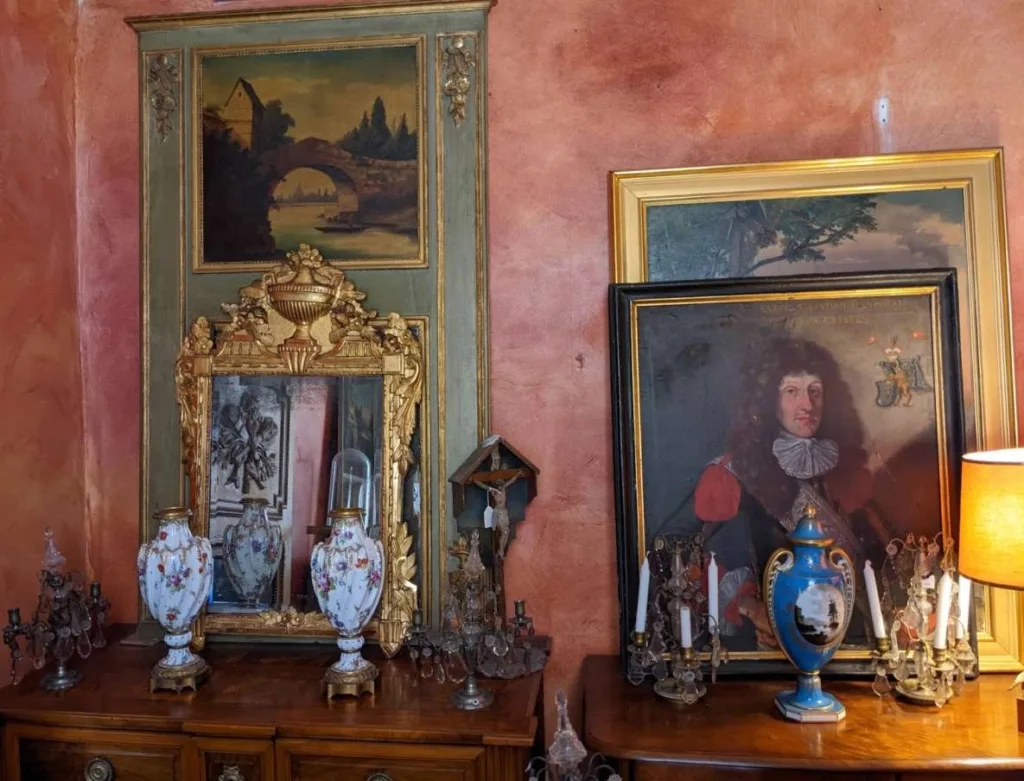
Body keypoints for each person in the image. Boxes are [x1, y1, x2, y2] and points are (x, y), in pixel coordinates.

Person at [651, 336, 888, 650]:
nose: (807, 405)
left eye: (815, 391)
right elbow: (668, 546)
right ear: (766, 401)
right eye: (791, 391)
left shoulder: (843, 468)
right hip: (769, 644)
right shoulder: (734, 472)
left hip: (846, 644)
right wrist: (747, 604)